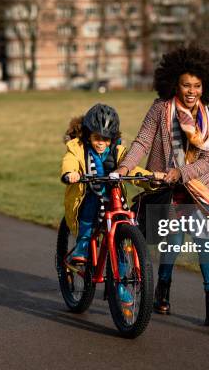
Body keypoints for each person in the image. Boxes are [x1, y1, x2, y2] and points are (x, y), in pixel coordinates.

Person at [115, 45, 209, 326]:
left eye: (197, 86)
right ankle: (162, 290)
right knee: (173, 240)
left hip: (197, 189)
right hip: (163, 188)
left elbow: (208, 160)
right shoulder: (160, 109)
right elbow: (142, 141)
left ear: (206, 87)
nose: (191, 91)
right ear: (174, 85)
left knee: (204, 240)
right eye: (186, 85)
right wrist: (125, 167)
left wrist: (180, 173)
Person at [61, 104, 151, 307]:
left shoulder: (118, 151)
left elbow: (132, 169)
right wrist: (71, 173)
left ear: (113, 138)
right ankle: (83, 246)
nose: (101, 143)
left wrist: (150, 179)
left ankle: (119, 285)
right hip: (88, 194)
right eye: (96, 138)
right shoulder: (77, 148)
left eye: (106, 139)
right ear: (87, 135)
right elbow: (70, 161)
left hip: (112, 198)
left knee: (120, 237)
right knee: (91, 205)